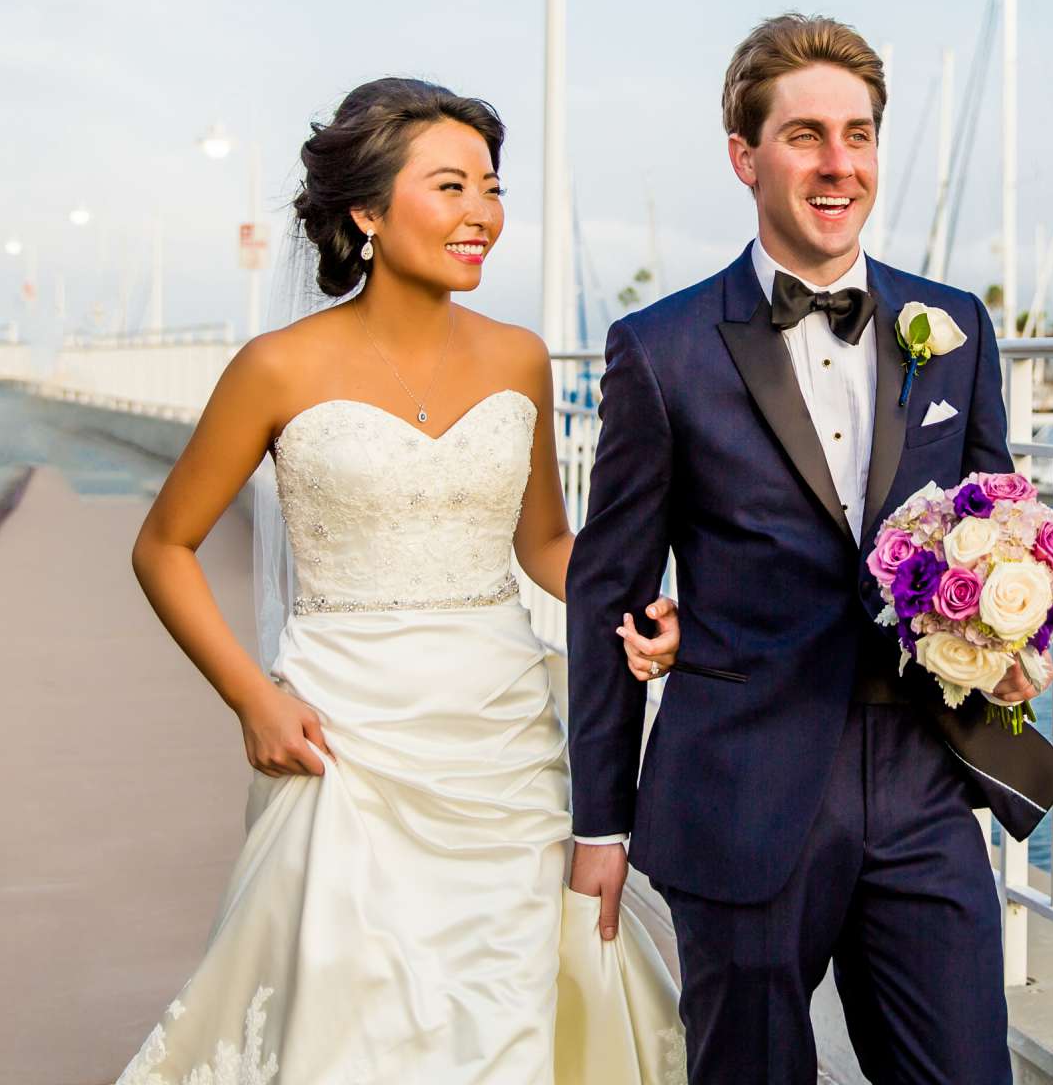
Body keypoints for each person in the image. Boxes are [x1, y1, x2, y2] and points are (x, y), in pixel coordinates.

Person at [118, 77, 686, 1085]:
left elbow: (547, 544)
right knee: (355, 1017)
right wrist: (253, 695)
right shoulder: (277, 367)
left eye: (492, 189)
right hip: (345, 737)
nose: (482, 215)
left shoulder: (519, 360)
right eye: (451, 186)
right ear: (366, 213)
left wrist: (640, 604)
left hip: (504, 742)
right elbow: (163, 544)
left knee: (508, 1005)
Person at [566, 15, 1053, 1085]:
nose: (839, 163)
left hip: (925, 785)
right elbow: (605, 589)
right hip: (741, 784)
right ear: (746, 156)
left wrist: (1019, 628)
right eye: (805, 135)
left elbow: (1001, 516)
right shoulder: (659, 350)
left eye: (860, 132)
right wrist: (599, 822)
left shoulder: (955, 327)